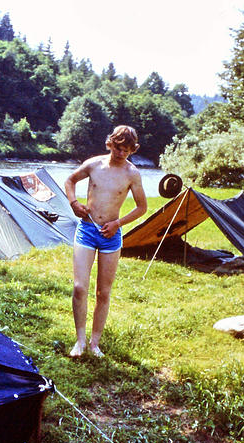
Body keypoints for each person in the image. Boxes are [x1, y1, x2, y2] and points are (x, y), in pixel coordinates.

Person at [64, 125, 148, 357]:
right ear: (110, 143)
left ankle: (94, 344)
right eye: (118, 148)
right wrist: (74, 203)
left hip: (111, 235)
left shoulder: (132, 173)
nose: (121, 154)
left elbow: (142, 207)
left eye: (127, 150)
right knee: (80, 287)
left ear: (133, 150)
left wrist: (117, 224)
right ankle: (79, 342)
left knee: (103, 292)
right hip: (87, 230)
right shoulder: (94, 164)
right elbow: (70, 181)